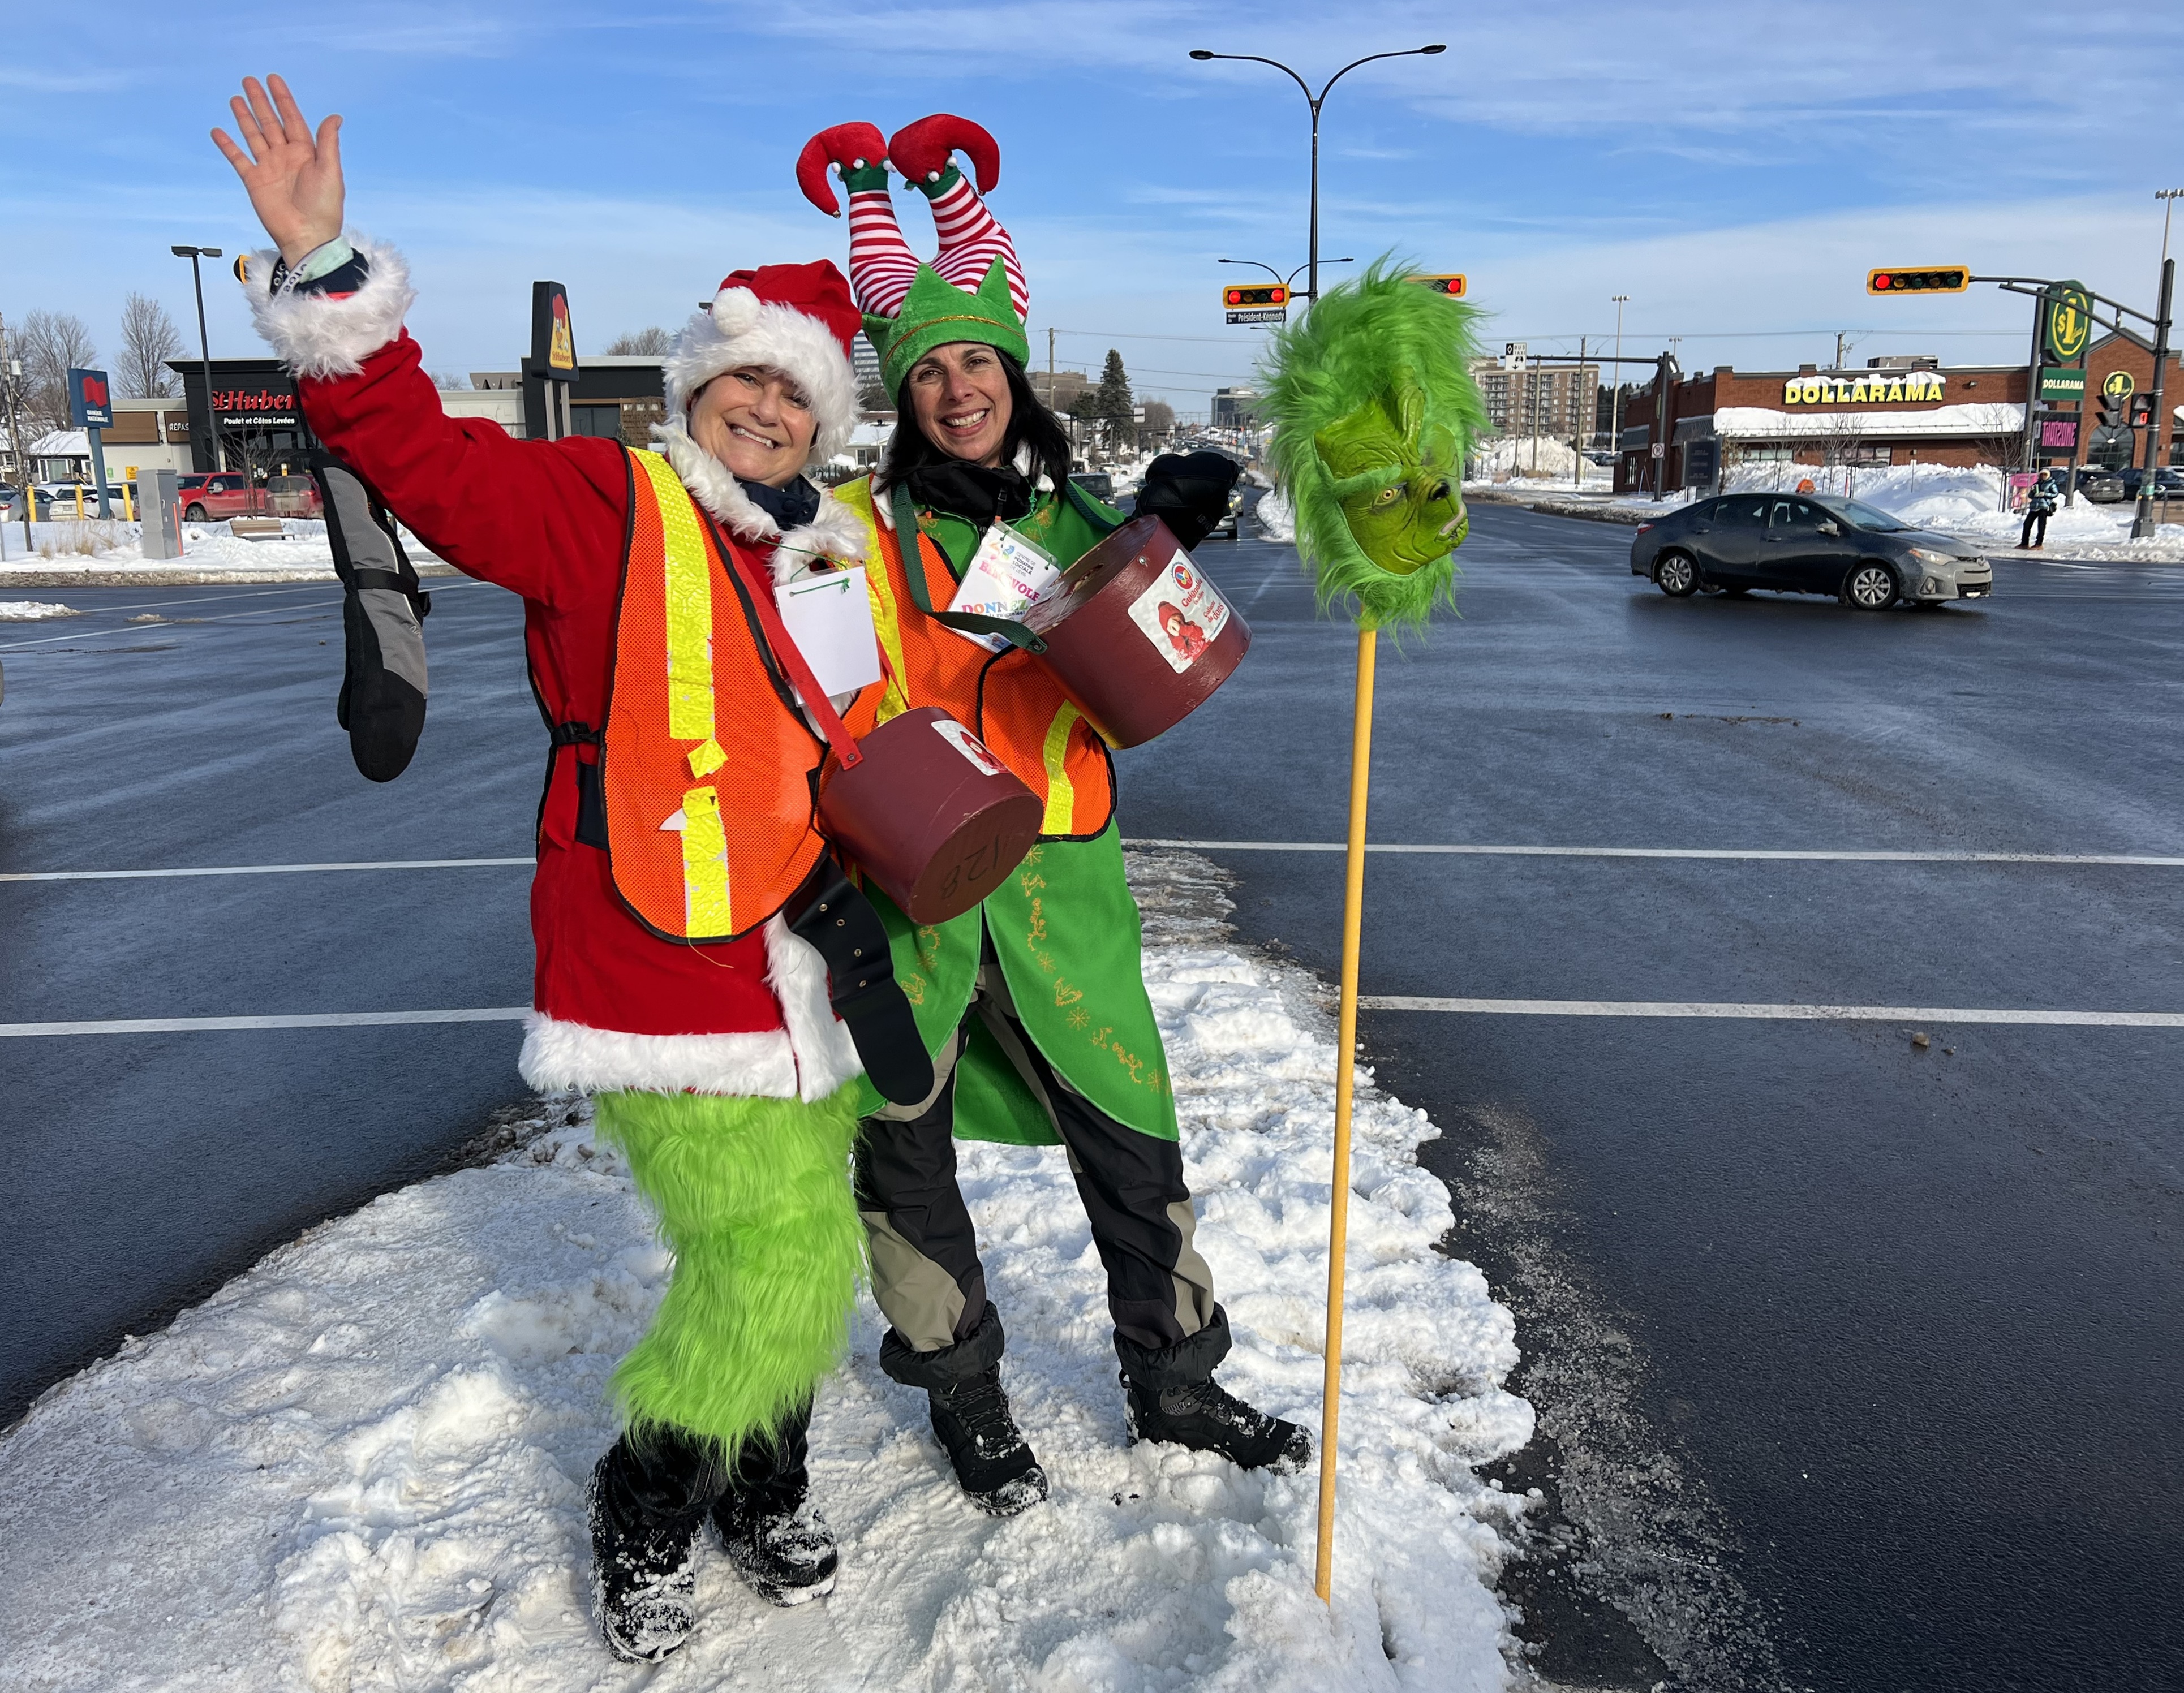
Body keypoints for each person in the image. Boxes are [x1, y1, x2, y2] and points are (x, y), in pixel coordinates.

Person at [213, 75, 906, 1661]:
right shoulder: (609, 504)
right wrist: (329, 280)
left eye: (790, 399)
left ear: (819, 420)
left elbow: (869, 724)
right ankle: (647, 1499)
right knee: (773, 1254)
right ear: (695, 392)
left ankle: (765, 1475)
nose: (762, 412)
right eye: (738, 385)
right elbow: (428, 465)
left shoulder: (832, 545)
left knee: (805, 1216)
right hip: (653, 960)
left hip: (811, 956)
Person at [797, 114, 1311, 1517]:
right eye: (928, 371)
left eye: (975, 362)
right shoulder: (847, 528)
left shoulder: (1085, 515)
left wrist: (1168, 537)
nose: (956, 388)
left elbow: (1154, 660)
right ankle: (965, 1399)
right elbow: (802, 683)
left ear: (1014, 376)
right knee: (902, 1158)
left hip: (1063, 884)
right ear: (898, 395)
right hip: (908, 898)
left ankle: (1176, 1377)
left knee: (1133, 1134)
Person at [2019, 467, 2059, 549]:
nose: (2043, 476)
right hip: (2034, 507)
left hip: (2044, 507)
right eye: (2042, 474)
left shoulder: (2051, 483)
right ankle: (2024, 543)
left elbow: (2055, 494)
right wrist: (2033, 492)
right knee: (2027, 524)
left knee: (2041, 526)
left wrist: (2045, 494)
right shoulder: (2037, 484)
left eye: (2045, 475)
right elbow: (2030, 496)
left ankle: (2039, 544)